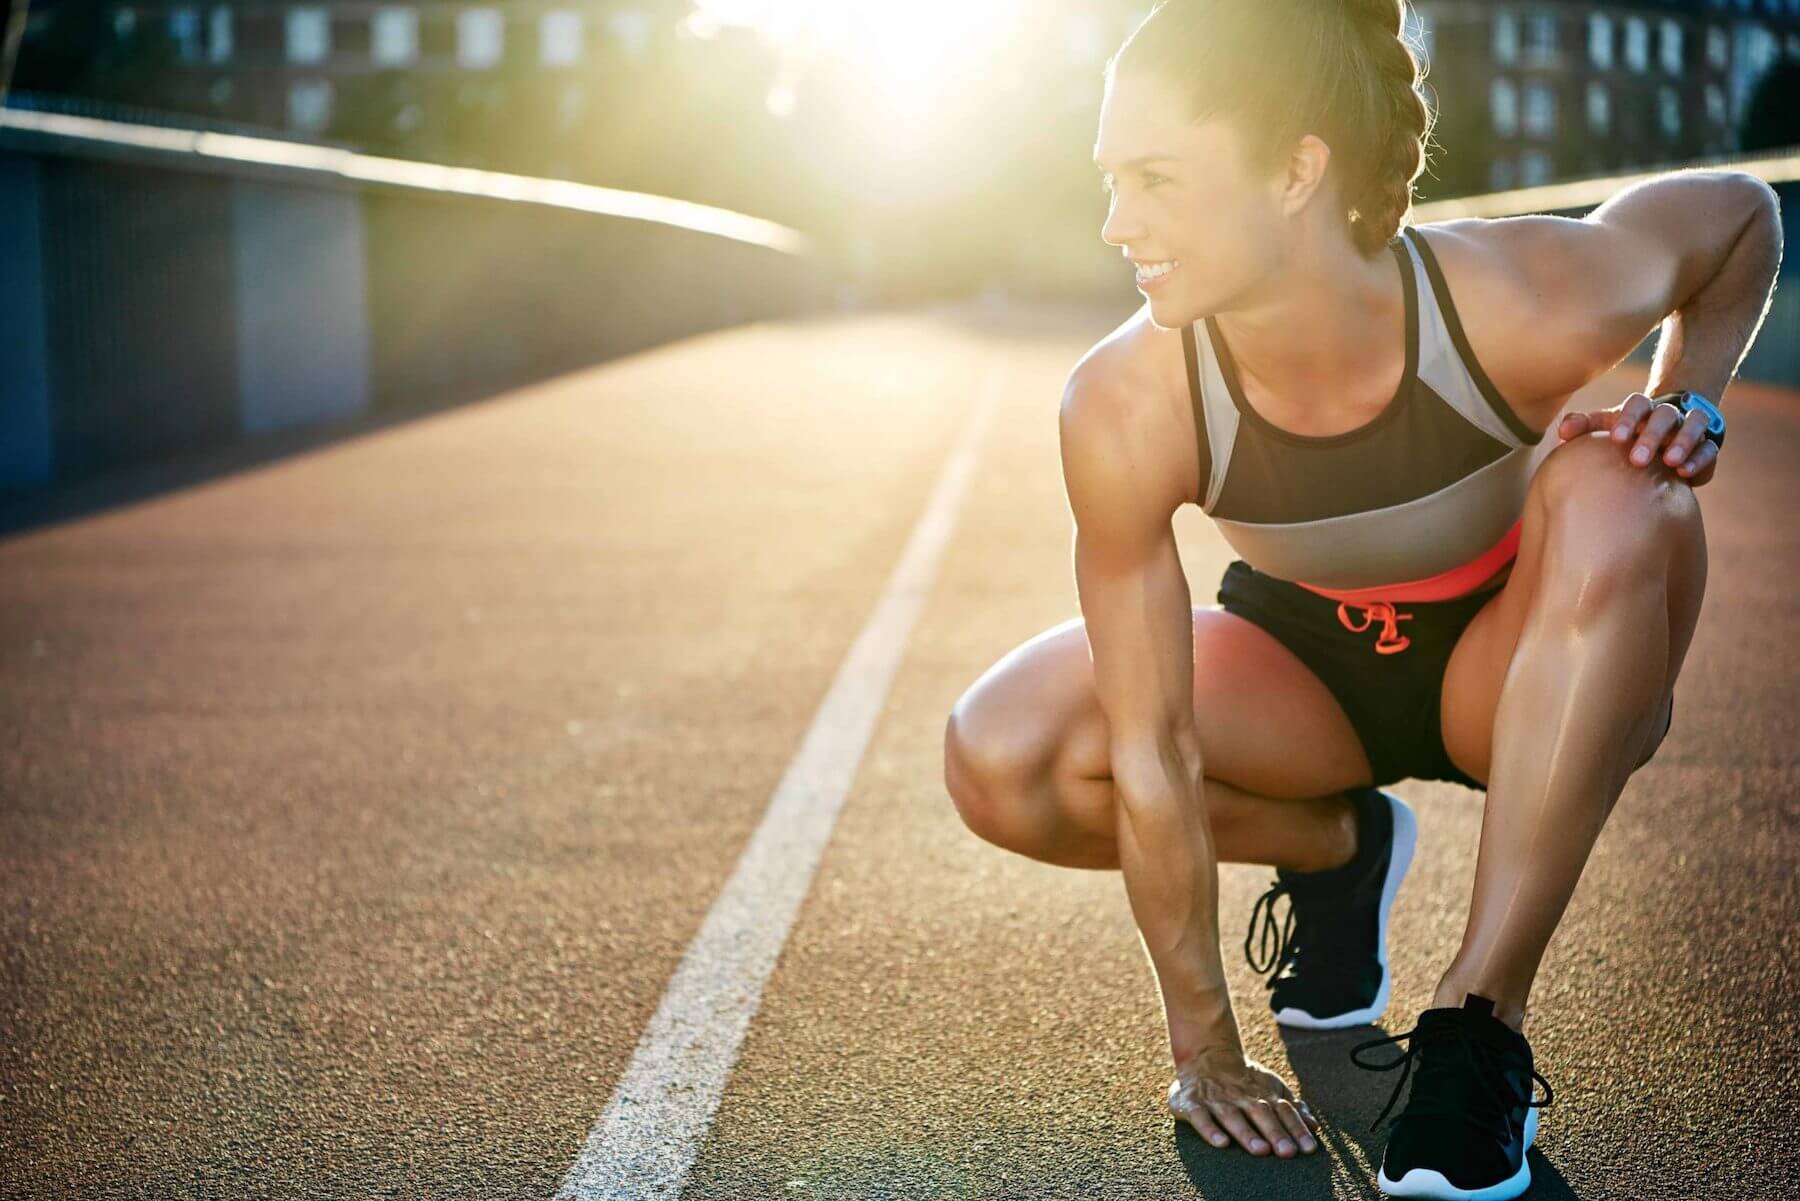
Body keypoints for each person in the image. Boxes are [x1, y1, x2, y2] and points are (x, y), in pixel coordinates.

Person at [941, 1, 1779, 1198]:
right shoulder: (1126, 403)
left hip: (1523, 657)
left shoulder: (1517, 301)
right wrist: (1204, 1052)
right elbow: (1155, 742)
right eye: (1111, 179)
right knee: (1001, 756)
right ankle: (1337, 848)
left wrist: (1685, 401)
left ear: (1296, 170)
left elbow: (1737, 217)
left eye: (1158, 180)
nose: (1118, 225)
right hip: (1306, 668)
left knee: (1622, 487)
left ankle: (1478, 1028)